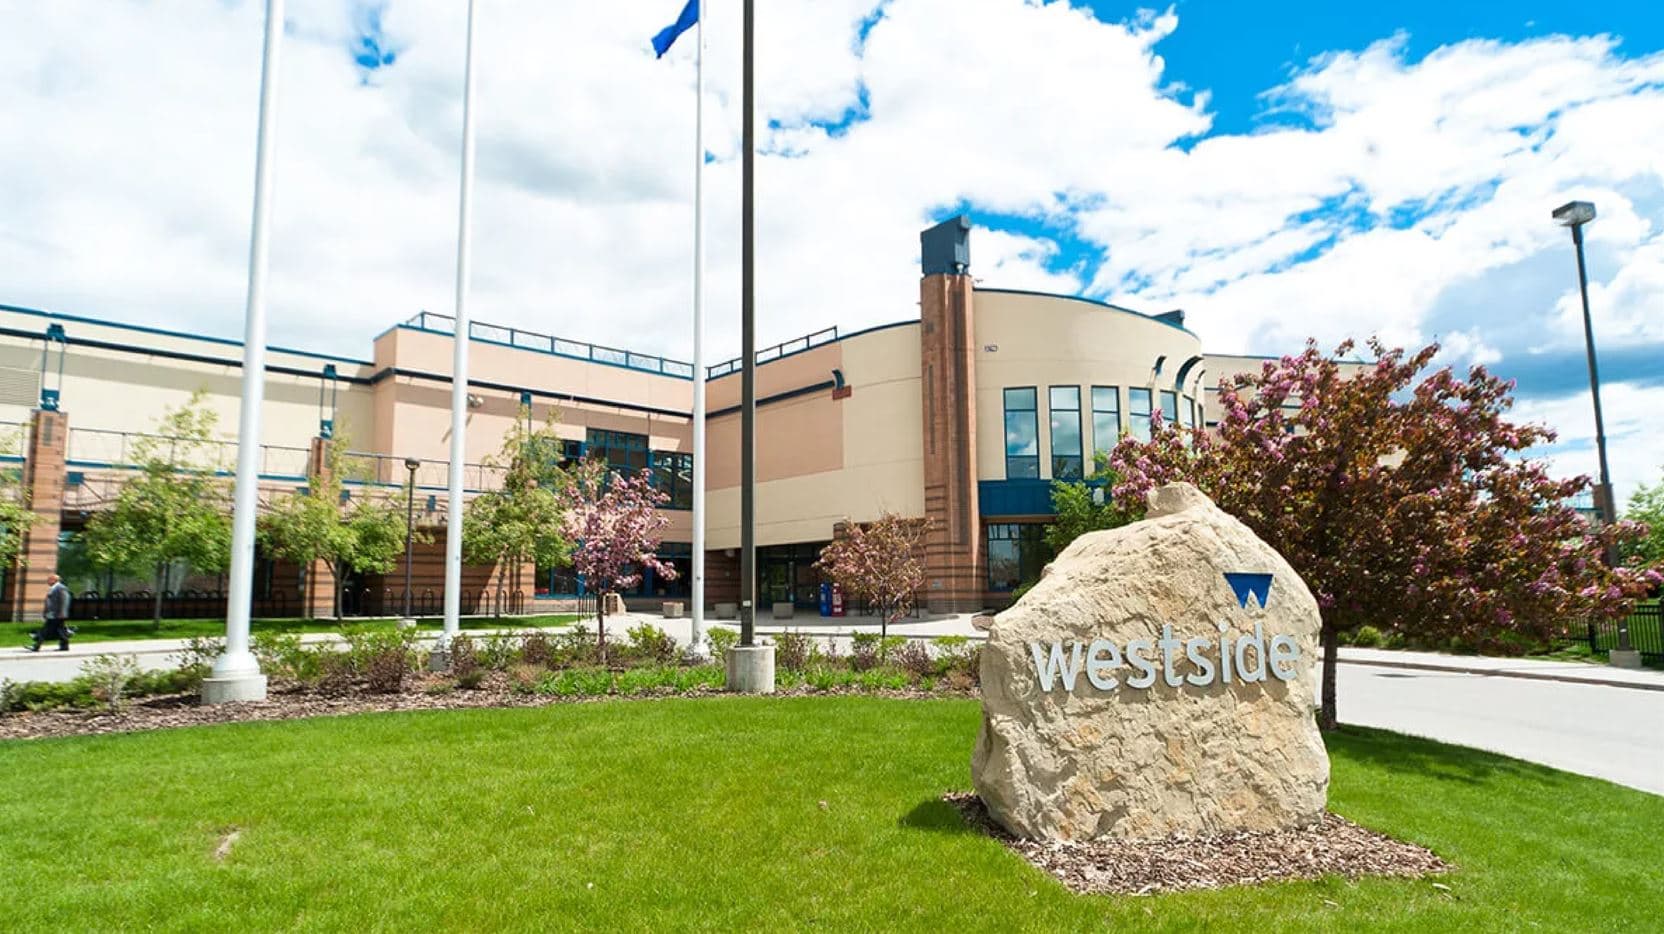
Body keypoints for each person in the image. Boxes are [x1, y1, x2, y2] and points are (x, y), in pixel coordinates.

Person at [27, 573, 73, 652]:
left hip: (57, 614)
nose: (47, 581)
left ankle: (36, 646)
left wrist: (62, 613)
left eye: (49, 579)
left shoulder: (61, 588)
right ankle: (64, 646)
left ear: (55, 580)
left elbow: (64, 601)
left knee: (45, 630)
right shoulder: (54, 588)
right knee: (60, 630)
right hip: (53, 614)